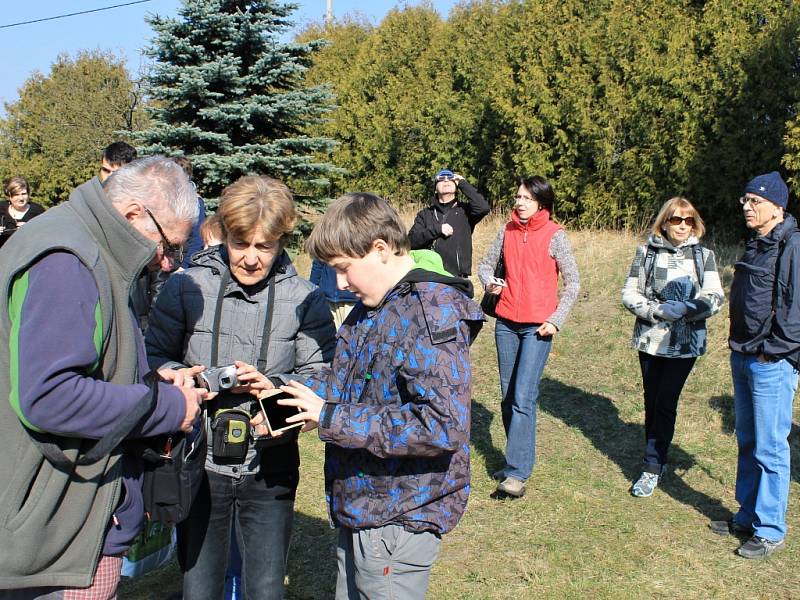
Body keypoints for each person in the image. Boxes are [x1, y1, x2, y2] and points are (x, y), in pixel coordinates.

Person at [0, 156, 207, 598]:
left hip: (62, 520)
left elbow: (84, 363)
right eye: (168, 246)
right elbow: (51, 396)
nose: (169, 263)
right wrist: (170, 407)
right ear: (135, 214)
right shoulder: (69, 260)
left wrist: (148, 382)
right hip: (58, 534)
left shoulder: (83, 241)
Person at [273, 193, 484, 600]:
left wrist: (331, 419)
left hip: (399, 517)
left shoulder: (430, 311)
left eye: (343, 268)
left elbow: (443, 425)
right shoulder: (374, 305)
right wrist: (283, 391)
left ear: (381, 250)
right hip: (364, 505)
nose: (339, 283)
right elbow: (350, 380)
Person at [145, 175, 336, 600]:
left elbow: (321, 375)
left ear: (282, 241)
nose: (250, 258)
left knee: (265, 589)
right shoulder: (186, 287)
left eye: (263, 247)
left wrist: (274, 389)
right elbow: (153, 357)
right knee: (199, 588)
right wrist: (186, 378)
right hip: (197, 462)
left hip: (270, 467)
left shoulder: (306, 298)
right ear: (223, 234)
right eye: (240, 243)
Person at [709, 171, 800, 559]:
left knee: (770, 447)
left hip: (771, 362)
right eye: (744, 200)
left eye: (754, 201)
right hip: (743, 354)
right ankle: (747, 515)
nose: (746, 207)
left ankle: (770, 528)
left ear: (777, 206)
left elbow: (796, 313)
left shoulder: (792, 246)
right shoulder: (757, 243)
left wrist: (772, 351)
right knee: (747, 441)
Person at [477, 176, 580, 498]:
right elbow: (483, 266)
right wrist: (490, 282)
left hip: (538, 327)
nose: (519, 202)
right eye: (518, 196)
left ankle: (518, 473)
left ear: (541, 203)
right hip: (506, 322)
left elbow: (574, 283)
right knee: (508, 397)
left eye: (526, 198)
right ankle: (514, 461)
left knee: (523, 397)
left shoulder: (554, 235)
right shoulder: (506, 230)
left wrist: (556, 320)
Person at [621, 197, 724, 498]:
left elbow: (715, 296)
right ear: (664, 222)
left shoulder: (704, 256)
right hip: (650, 341)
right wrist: (655, 310)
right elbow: (629, 292)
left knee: (666, 400)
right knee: (652, 399)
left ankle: (651, 467)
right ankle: (656, 454)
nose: (682, 225)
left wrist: (688, 308)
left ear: (695, 224)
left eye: (688, 220)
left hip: (685, 344)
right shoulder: (646, 253)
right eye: (676, 219)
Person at [409, 168, 490, 277]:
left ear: (456, 187)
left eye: (450, 178)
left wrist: (462, 183)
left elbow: (483, 208)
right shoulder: (425, 214)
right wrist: (437, 230)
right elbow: (411, 241)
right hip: (429, 275)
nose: (446, 180)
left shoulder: (465, 211)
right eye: (441, 179)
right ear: (435, 189)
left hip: (457, 277)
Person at [170, 156, 208, 269]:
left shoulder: (196, 202)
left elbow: (198, 238)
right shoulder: (161, 200)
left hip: (183, 261)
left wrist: (184, 267)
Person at [310, 259, 358, 329]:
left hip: (351, 298)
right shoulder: (325, 248)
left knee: (350, 333)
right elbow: (318, 263)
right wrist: (312, 290)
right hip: (327, 298)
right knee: (331, 334)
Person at [0, 176, 45, 248]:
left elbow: (46, 237)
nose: (21, 198)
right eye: (16, 195)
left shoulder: (38, 211)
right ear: (9, 196)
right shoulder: (1, 209)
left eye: (24, 194)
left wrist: (31, 230)